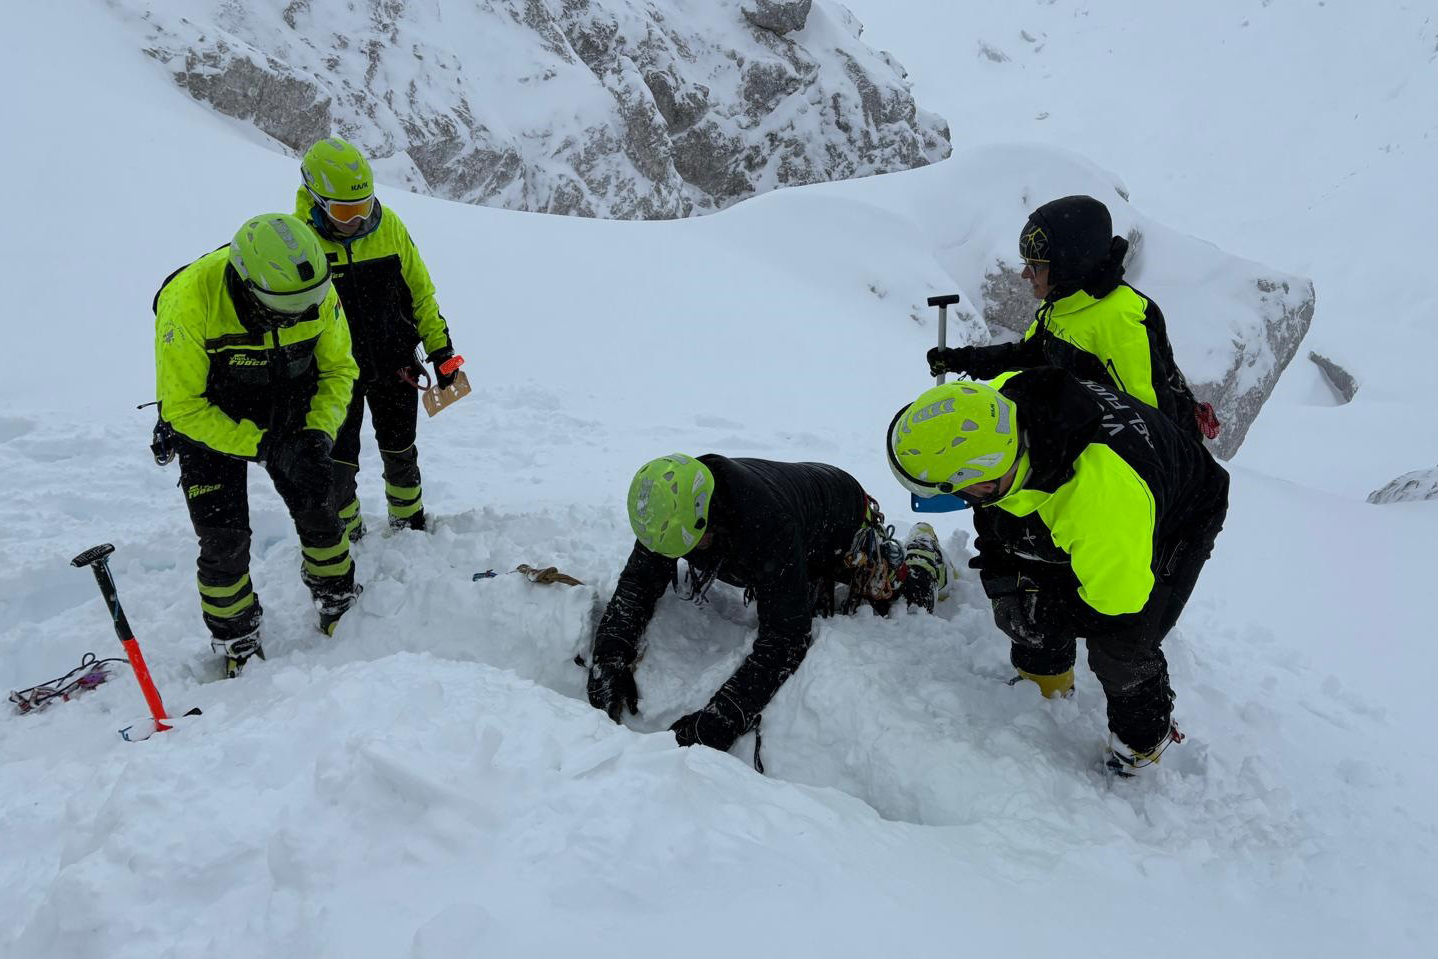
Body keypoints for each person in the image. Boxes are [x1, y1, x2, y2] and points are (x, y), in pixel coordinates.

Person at [886, 369, 1229, 776]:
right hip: (1091, 490)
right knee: (1024, 587)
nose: (965, 501)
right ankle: (1044, 687)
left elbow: (1117, 603)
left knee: (1122, 647)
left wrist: (1049, 614)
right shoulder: (992, 411)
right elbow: (994, 512)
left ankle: (1140, 746)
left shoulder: (1100, 503)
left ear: (987, 477)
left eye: (961, 491)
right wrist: (1003, 577)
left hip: (1180, 512)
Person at [586, 454, 946, 755]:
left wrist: (724, 717)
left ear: (709, 514)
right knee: (796, 589)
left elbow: (786, 637)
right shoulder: (669, 509)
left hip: (841, 517)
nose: (680, 558)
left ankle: (923, 557)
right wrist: (610, 655)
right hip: (791, 518)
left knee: (895, 597)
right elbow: (639, 582)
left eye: (690, 548)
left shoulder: (765, 523)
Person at [154, 213, 361, 677]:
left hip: (291, 397)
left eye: (311, 304)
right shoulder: (188, 302)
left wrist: (317, 434)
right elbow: (184, 408)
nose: (305, 314)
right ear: (249, 286)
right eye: (288, 309)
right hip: (212, 413)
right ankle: (236, 637)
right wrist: (264, 447)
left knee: (319, 504)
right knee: (222, 538)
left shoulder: (316, 294)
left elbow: (339, 370)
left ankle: (338, 598)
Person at [926, 195, 1216, 443]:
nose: (1025, 274)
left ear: (1068, 265)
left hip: (1149, 474)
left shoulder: (1120, 320)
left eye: (1035, 265)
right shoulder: (1065, 304)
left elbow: (1149, 424)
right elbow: (1028, 354)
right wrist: (964, 360)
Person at [296, 136, 459, 539]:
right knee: (338, 461)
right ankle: (348, 532)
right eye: (344, 211)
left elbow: (421, 294)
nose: (357, 220)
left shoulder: (389, 229)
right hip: (333, 377)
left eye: (364, 206)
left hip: (395, 365)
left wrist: (442, 351)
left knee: (401, 450)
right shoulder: (300, 244)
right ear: (316, 200)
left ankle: (409, 524)